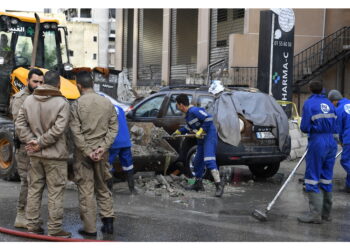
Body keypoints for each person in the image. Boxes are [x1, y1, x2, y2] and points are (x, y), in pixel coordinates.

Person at [15, 70, 71, 237]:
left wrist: (32, 141)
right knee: (55, 191)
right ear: (58, 84)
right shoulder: (62, 103)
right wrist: (39, 143)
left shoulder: (29, 100)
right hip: (55, 156)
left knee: (34, 189)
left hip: (34, 156)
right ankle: (54, 229)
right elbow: (59, 130)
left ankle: (32, 225)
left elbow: (19, 125)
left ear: (44, 82)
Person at [69, 71, 118, 236]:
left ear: (79, 85)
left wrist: (88, 151)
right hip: (102, 153)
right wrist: (102, 148)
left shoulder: (76, 105)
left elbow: (75, 132)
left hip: (83, 154)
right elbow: (113, 128)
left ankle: (90, 228)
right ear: (93, 84)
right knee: (103, 186)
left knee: (86, 189)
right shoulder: (107, 103)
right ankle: (108, 223)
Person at [298, 81, 338, 224]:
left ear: (309, 89)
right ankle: (326, 214)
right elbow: (336, 124)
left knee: (312, 177)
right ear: (322, 89)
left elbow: (304, 127)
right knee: (326, 177)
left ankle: (315, 215)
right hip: (331, 142)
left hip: (318, 142)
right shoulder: (329, 103)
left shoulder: (309, 104)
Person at [10, 68, 44, 229]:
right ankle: (21, 215)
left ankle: (31, 215)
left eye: (41, 82)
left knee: (36, 182)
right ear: (27, 81)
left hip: (37, 146)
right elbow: (19, 126)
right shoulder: (20, 98)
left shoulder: (40, 97)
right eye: (35, 81)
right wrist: (33, 142)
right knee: (27, 182)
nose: (38, 85)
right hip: (26, 147)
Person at [174, 93, 224, 197]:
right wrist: (179, 131)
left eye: (177, 105)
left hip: (209, 136)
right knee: (197, 161)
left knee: (209, 159)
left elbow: (208, 118)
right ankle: (198, 184)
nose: (177, 107)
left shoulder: (194, 111)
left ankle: (219, 185)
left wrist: (202, 130)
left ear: (181, 105)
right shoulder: (188, 115)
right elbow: (189, 127)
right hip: (201, 138)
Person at [107, 104, 136, 194]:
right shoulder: (119, 108)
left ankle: (109, 190)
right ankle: (132, 189)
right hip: (125, 140)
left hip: (114, 141)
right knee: (128, 165)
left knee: (108, 164)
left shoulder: (104, 108)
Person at [328, 89, 350, 192]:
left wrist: (340, 141)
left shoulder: (339, 109)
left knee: (345, 161)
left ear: (334, 100)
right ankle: (349, 186)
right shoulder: (349, 103)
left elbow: (338, 129)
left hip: (348, 138)